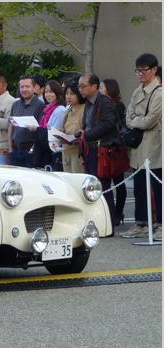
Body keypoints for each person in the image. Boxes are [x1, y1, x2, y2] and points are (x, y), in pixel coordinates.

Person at [121, 53, 162, 240]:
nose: (140, 73)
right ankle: (141, 223)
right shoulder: (137, 91)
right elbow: (128, 118)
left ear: (154, 70)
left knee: (158, 187)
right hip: (138, 147)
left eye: (144, 70)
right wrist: (137, 120)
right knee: (139, 187)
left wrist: (136, 120)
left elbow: (149, 121)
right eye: (138, 70)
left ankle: (160, 225)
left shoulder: (159, 92)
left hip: (154, 147)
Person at [78, 72, 119, 233]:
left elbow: (109, 124)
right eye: (79, 86)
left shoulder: (104, 101)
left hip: (101, 149)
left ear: (94, 86)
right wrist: (81, 150)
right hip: (89, 149)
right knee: (91, 188)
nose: (80, 89)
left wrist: (88, 135)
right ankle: (95, 222)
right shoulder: (88, 102)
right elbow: (86, 126)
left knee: (103, 188)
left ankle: (108, 226)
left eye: (83, 86)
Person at [100, 79, 127, 226]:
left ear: (109, 89)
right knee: (105, 183)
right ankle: (109, 213)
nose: (99, 90)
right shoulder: (99, 105)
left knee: (119, 183)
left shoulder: (118, 105)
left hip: (115, 148)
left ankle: (118, 212)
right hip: (103, 148)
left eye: (101, 87)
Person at [8, 75, 45, 168]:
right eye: (22, 87)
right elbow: (11, 126)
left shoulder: (40, 105)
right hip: (15, 149)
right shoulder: (15, 104)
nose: (24, 89)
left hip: (30, 150)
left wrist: (32, 150)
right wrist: (10, 149)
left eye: (27, 86)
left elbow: (41, 130)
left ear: (34, 87)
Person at [28, 80, 67, 169]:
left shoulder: (59, 110)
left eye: (51, 92)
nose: (48, 95)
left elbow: (54, 134)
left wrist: (37, 129)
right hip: (48, 151)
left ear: (57, 92)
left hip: (55, 153)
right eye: (46, 92)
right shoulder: (48, 109)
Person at [57, 82, 85, 174]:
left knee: (77, 182)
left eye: (72, 94)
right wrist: (61, 132)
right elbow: (65, 128)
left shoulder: (85, 110)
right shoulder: (68, 110)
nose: (68, 96)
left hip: (77, 153)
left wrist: (72, 139)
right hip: (65, 152)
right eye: (67, 93)